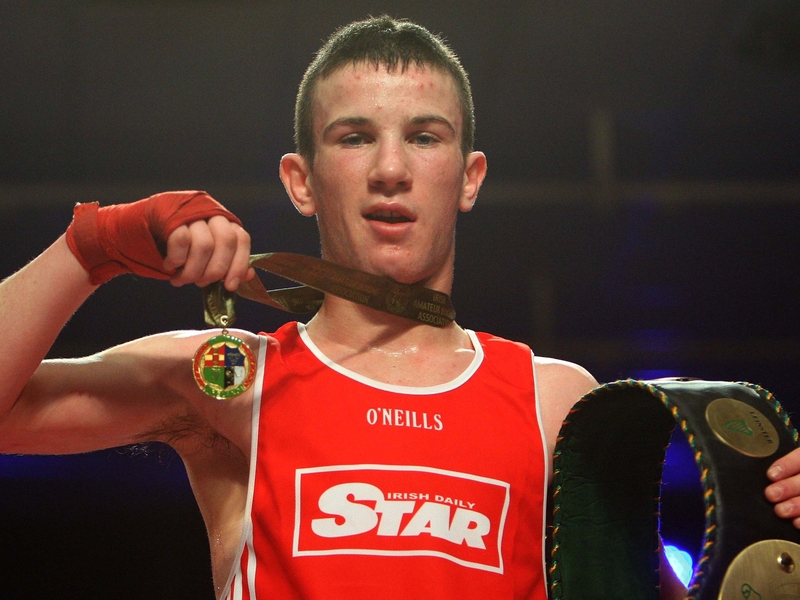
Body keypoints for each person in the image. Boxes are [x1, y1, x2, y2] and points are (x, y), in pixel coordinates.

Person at [1, 15, 799, 600]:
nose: (390, 168)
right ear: (301, 180)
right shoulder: (231, 381)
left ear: (470, 176)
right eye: (354, 137)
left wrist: (774, 544)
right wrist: (93, 246)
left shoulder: (555, 403)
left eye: (424, 136)